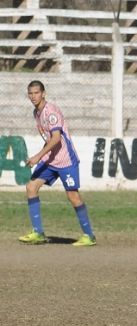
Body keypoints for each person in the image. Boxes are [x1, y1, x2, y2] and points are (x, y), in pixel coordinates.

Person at [18, 80, 96, 247]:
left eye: (36, 93)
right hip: (50, 159)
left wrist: (38, 156)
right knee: (31, 187)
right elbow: (48, 140)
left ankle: (89, 236)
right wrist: (40, 156)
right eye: (30, 93)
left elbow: (56, 138)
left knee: (73, 196)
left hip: (66, 160)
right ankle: (38, 233)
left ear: (43, 93)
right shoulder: (36, 113)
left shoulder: (51, 112)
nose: (33, 96)